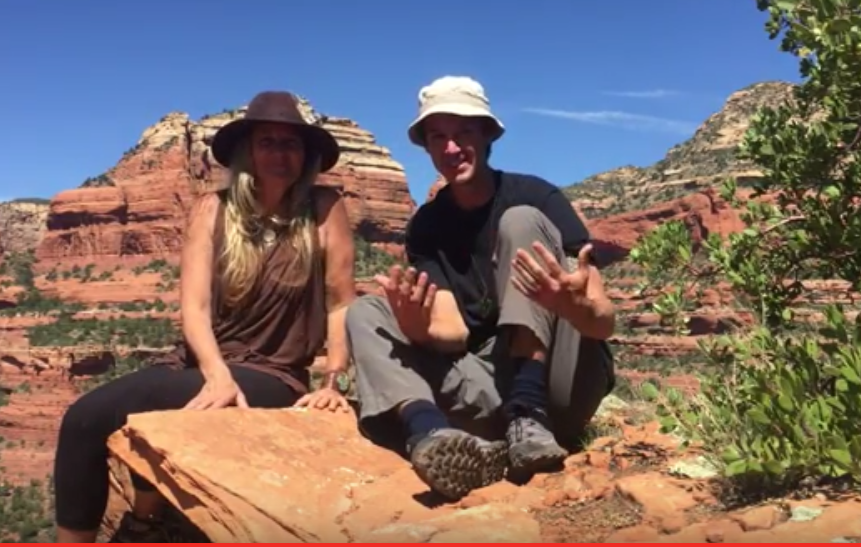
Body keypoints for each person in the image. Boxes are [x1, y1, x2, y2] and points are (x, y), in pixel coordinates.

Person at [52, 91, 357, 542]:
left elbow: (340, 302)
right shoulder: (212, 209)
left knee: (141, 409)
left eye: (290, 143)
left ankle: (147, 520)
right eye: (267, 141)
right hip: (201, 360)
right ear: (247, 151)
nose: (279, 153)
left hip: (271, 373)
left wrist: (334, 383)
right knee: (83, 417)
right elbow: (193, 306)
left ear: (306, 155)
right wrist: (215, 374)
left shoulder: (323, 209)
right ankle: (132, 521)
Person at [346, 76, 616, 500]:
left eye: (463, 133)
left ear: (487, 134)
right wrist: (417, 329)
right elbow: (453, 333)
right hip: (490, 388)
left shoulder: (537, 197)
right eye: (438, 137)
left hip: (561, 380)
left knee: (520, 221)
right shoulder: (428, 227)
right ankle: (430, 434)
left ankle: (529, 415)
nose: (451, 148)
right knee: (365, 313)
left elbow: (603, 324)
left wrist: (573, 307)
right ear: (428, 147)